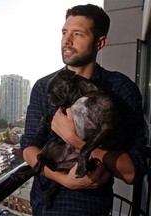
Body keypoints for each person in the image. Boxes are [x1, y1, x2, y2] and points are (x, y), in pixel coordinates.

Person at [20, 4, 148, 216]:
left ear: (100, 42)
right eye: (64, 33)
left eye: (77, 34)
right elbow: (28, 147)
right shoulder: (44, 87)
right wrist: (64, 180)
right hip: (44, 207)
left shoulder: (120, 89)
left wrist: (75, 140)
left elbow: (131, 171)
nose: (66, 41)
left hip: (89, 209)